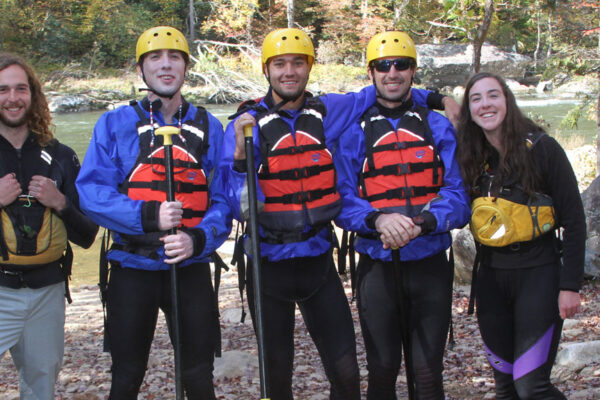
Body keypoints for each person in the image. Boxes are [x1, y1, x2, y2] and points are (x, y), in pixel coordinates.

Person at [222, 27, 453, 400]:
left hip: (317, 260)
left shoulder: (329, 111)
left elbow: (388, 91)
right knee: (276, 376)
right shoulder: (243, 126)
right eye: (279, 64)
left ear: (309, 67)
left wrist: (440, 98)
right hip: (268, 264)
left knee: (347, 376)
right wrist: (238, 160)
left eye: (298, 62)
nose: (289, 71)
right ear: (267, 70)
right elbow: (235, 205)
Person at [76, 26, 231, 399]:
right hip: (132, 268)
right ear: (141, 69)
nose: (165, 66)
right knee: (126, 377)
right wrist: (148, 217)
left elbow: (224, 200)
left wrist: (198, 238)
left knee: (198, 377)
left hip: (191, 268)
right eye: (154, 58)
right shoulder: (114, 124)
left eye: (174, 57)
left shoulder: (209, 125)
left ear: (186, 68)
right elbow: (91, 193)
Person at [333, 31, 470, 399]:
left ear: (413, 71)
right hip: (377, 266)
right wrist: (378, 220)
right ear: (371, 72)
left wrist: (422, 222)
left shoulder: (436, 126)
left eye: (401, 65)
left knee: (426, 373)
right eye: (383, 65)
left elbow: (457, 194)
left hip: (428, 263)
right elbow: (343, 198)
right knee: (382, 367)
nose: (392, 72)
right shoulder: (352, 130)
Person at [456, 72, 586, 399]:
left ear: (507, 101)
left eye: (493, 95)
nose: (486, 104)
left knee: (531, 385)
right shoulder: (471, 156)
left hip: (539, 275)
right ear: (469, 110)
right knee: (505, 388)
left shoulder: (543, 149)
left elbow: (574, 220)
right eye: (476, 99)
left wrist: (569, 286)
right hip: (490, 280)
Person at [0, 53, 98, 399]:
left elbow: (88, 236)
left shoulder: (61, 156)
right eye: (3, 89)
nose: (12, 98)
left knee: (41, 385)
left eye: (20, 89)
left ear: (33, 95)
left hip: (47, 292)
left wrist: (61, 203)